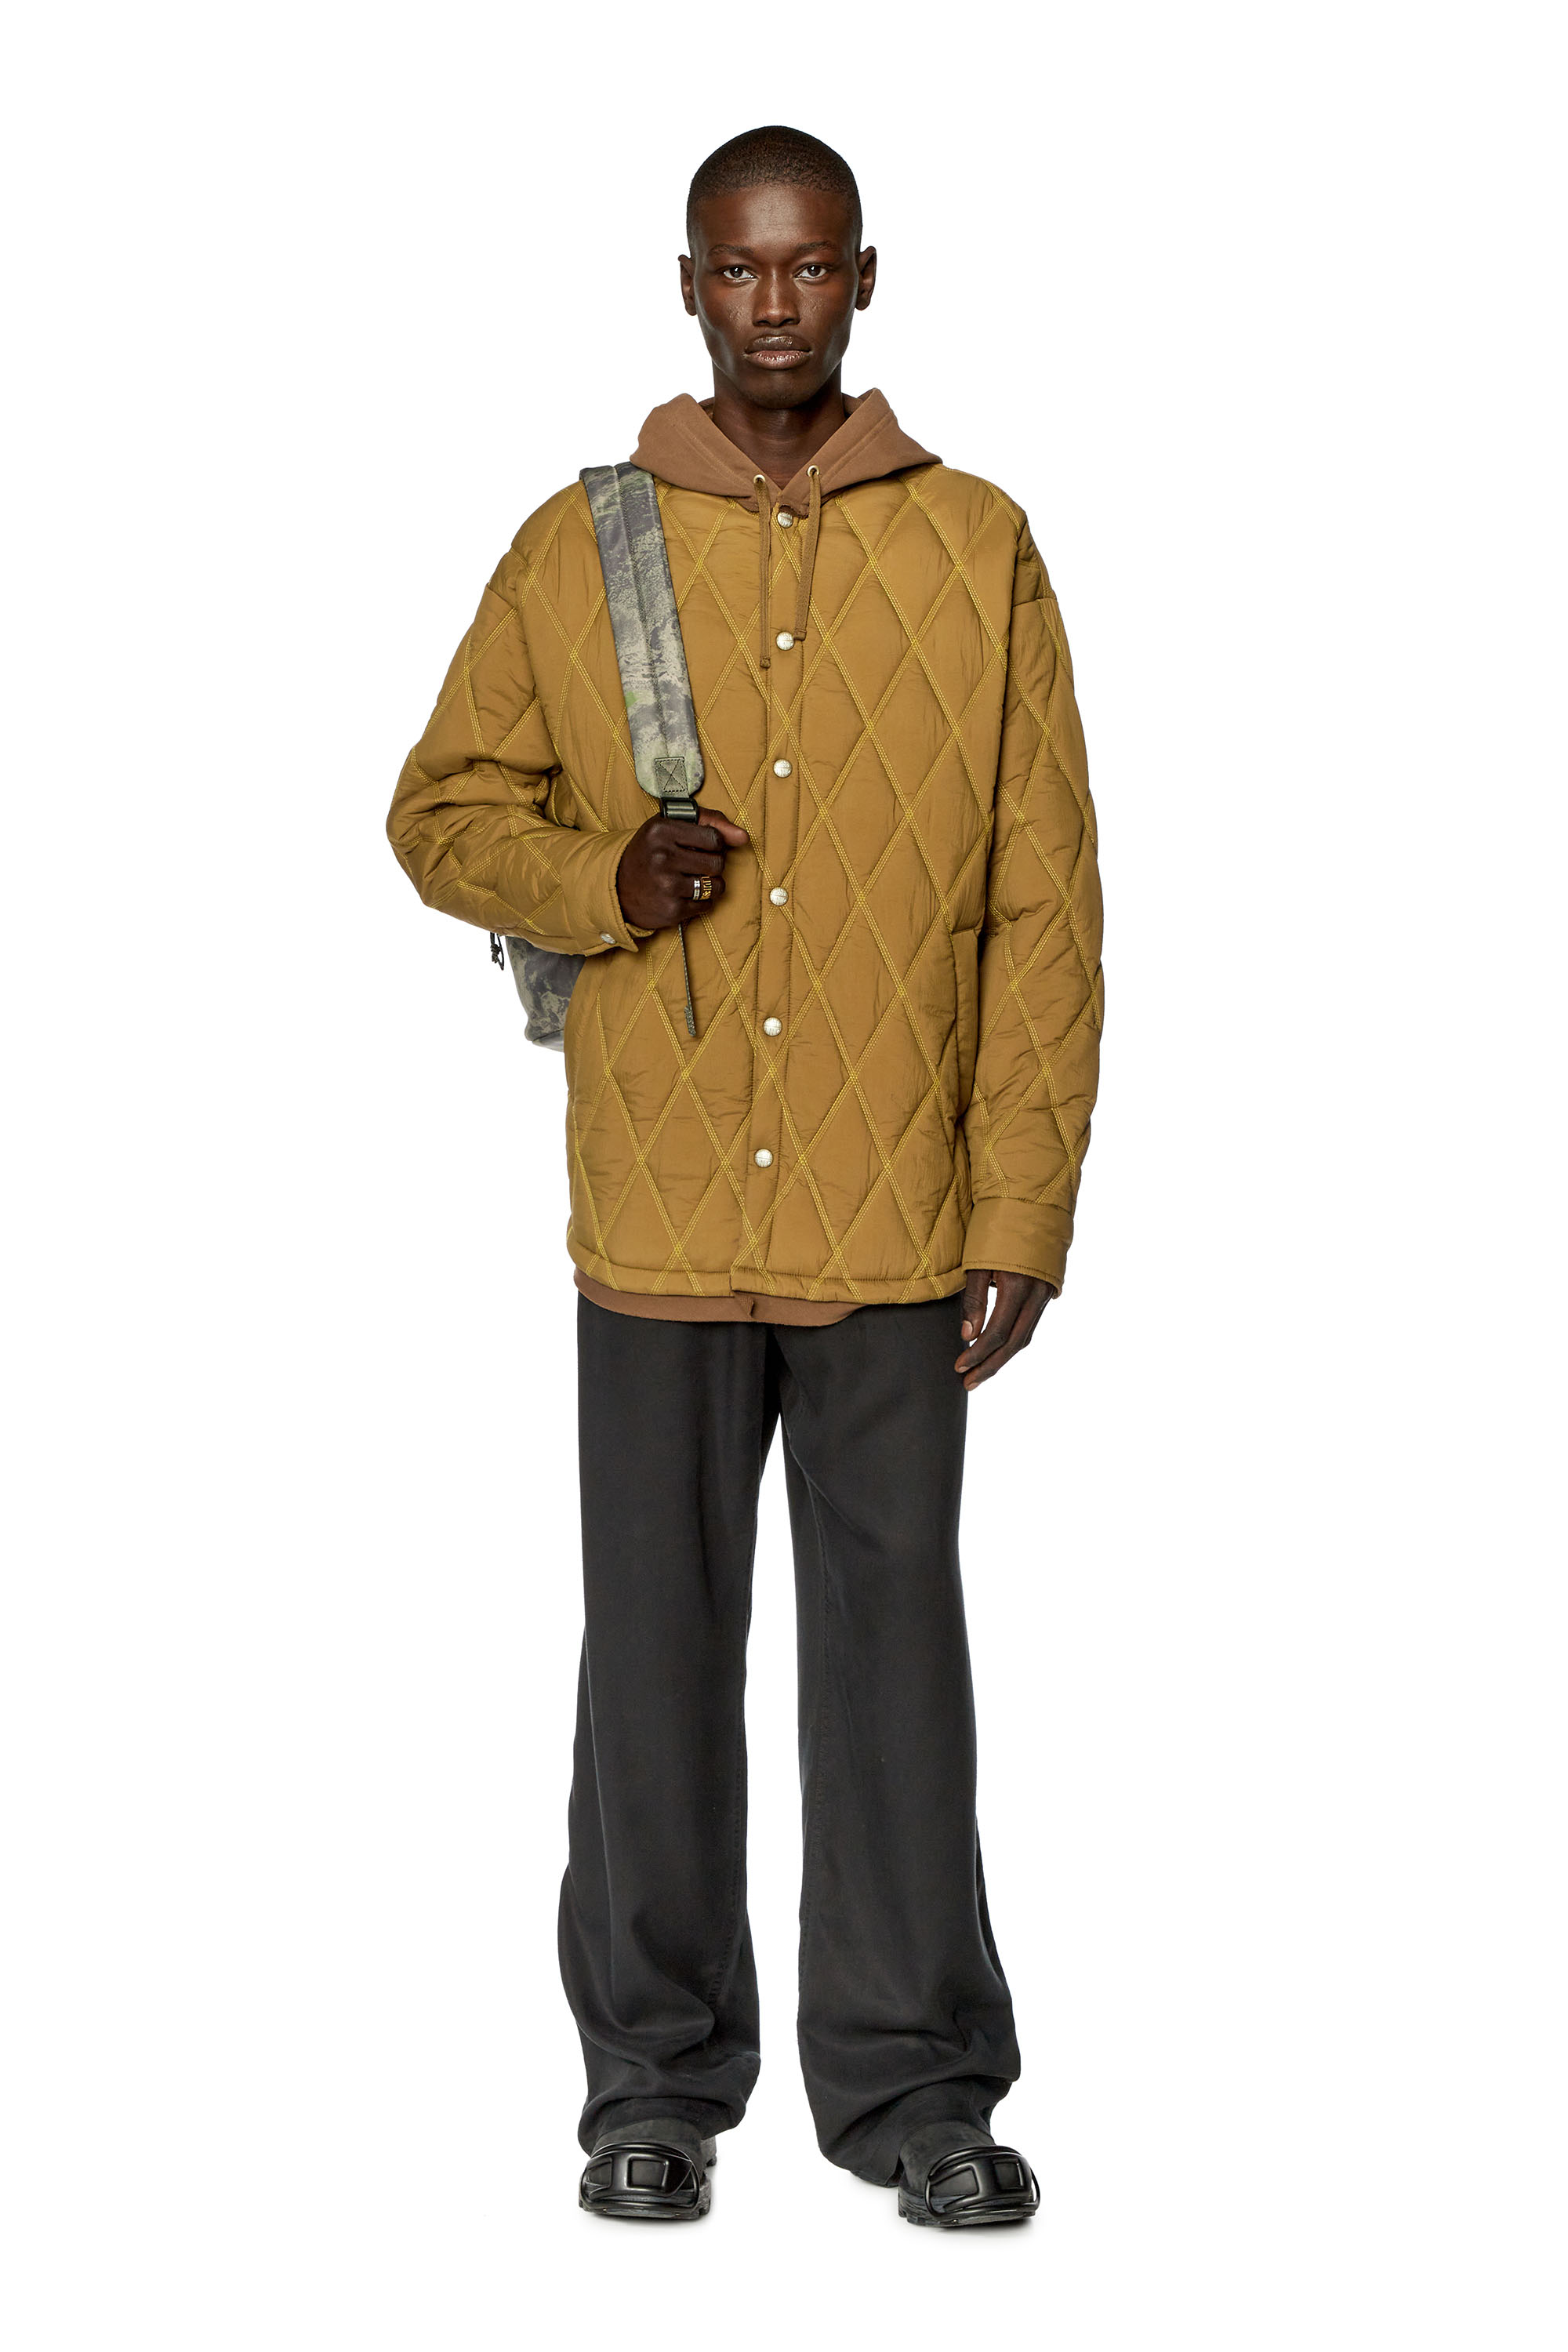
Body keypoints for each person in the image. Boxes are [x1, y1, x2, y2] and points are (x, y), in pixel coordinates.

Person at [387, 125, 1103, 2229]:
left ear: (863, 279)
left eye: (808, 268)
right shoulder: (575, 549)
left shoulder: (980, 547)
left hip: (895, 1219)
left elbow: (1046, 908)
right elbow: (440, 813)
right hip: (662, 1211)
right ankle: (650, 2082)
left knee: (899, 1673)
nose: (773, 304)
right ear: (688, 282)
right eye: (737, 268)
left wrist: (1020, 1208)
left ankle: (921, 2093)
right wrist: (599, 880)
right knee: (653, 1666)